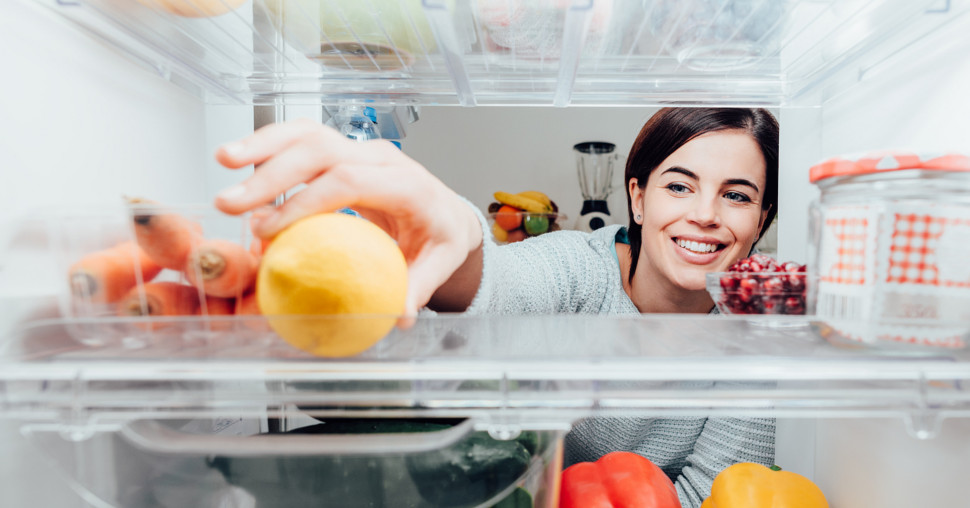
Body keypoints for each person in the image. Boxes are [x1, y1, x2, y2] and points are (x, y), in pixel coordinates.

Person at [214, 107, 779, 508]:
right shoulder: (580, 267)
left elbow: (718, 494)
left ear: (762, 219)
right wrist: (457, 232)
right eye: (679, 186)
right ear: (636, 195)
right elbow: (499, 288)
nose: (706, 214)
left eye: (736, 195)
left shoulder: (760, 332)